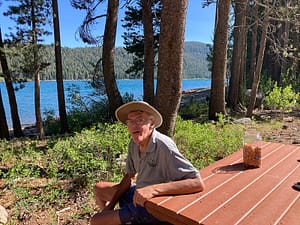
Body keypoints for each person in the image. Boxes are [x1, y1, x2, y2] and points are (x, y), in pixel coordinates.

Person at [90, 101, 205, 225]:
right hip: (138, 193)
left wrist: (154, 190)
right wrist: (110, 206)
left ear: (152, 124)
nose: (134, 125)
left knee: (96, 221)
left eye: (139, 120)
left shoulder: (163, 145)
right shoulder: (134, 143)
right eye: (130, 121)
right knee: (99, 188)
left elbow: (197, 183)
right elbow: (130, 176)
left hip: (154, 205)